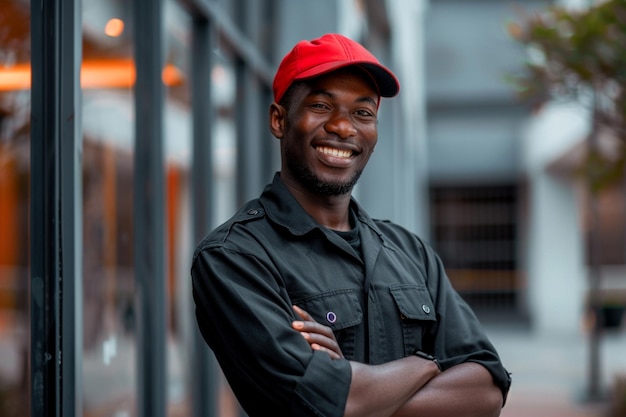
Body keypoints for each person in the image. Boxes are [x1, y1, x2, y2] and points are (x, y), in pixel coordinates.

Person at [191, 33, 511, 417]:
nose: (343, 127)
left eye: (363, 112)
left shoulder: (409, 250)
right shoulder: (234, 257)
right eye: (322, 105)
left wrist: (359, 384)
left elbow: (488, 390)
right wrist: (431, 363)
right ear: (279, 120)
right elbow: (333, 404)